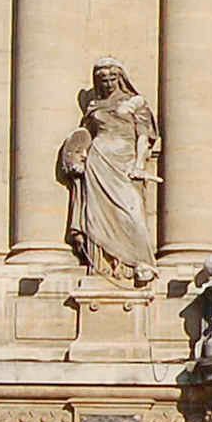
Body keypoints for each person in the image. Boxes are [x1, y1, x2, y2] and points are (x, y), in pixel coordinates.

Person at [60, 61, 159, 286]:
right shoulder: (94, 105)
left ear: (120, 78)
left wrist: (139, 164)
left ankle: (140, 260)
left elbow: (143, 136)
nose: (107, 83)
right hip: (99, 159)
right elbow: (84, 134)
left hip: (125, 160)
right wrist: (76, 156)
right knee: (97, 215)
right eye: (103, 79)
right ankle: (105, 263)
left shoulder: (136, 102)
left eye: (112, 78)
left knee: (131, 211)